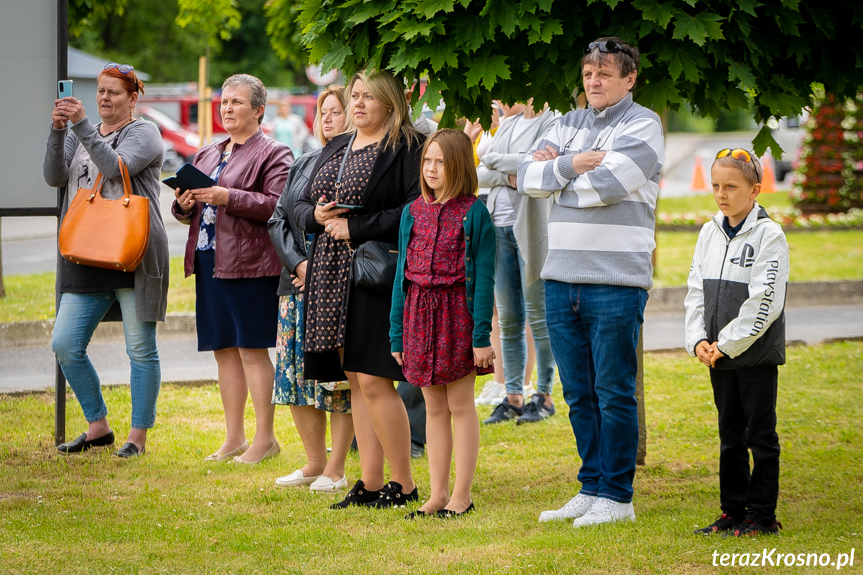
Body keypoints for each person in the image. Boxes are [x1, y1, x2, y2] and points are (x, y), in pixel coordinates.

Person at [518, 37, 664, 526]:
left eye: (604, 73)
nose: (594, 81)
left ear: (629, 79)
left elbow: (606, 188)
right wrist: (569, 167)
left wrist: (558, 180)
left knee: (614, 390)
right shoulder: (568, 122)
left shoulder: (644, 123)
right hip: (560, 277)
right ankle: (592, 485)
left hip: (615, 281)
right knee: (578, 391)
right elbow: (526, 178)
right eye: (588, 74)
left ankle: (618, 497)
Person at [294, 69, 424, 509]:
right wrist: (317, 214)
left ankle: (403, 484)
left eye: (369, 96)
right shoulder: (338, 145)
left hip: (373, 271)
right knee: (354, 379)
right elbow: (298, 202)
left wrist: (356, 226)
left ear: (390, 101)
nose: (360, 103)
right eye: (355, 95)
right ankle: (370, 482)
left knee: (374, 377)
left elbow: (413, 209)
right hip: (331, 272)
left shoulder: (407, 146)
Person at [44, 63, 169, 458]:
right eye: (100, 91)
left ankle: (137, 436)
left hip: (133, 250)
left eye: (113, 92)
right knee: (65, 344)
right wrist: (58, 129)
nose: (104, 98)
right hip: (85, 249)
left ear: (133, 98)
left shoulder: (145, 132)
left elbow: (116, 169)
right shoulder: (82, 131)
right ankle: (97, 426)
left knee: (140, 349)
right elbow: (53, 176)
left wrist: (81, 126)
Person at [172, 74, 292, 464]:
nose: (227, 108)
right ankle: (234, 437)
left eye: (237, 102)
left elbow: (278, 206)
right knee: (223, 350)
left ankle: (265, 439)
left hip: (249, 264)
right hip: (209, 261)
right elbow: (187, 211)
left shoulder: (275, 153)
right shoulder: (207, 153)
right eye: (224, 102)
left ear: (259, 110)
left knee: (252, 351)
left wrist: (229, 197)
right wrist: (184, 203)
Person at [391, 129, 496, 518]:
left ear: (459, 166)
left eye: (441, 162)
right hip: (418, 314)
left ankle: (462, 495)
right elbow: (401, 277)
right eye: (427, 161)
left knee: (460, 404)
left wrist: (480, 336)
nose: (432, 169)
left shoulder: (474, 213)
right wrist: (396, 333)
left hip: (457, 316)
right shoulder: (411, 212)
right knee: (433, 407)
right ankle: (437, 494)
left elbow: (484, 280)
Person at [685, 148, 788, 536]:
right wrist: (698, 340)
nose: (721, 194)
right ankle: (732, 511)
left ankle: (762, 515)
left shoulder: (769, 235)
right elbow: (695, 289)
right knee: (729, 435)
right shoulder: (709, 231)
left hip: (754, 355)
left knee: (759, 436)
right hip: (718, 356)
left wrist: (727, 343)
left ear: (755, 190)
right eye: (715, 185)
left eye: (731, 186)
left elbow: (765, 301)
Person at [268, 85, 354, 491]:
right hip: (295, 283)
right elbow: (278, 221)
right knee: (295, 378)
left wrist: (318, 268)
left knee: (335, 382)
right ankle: (313, 463)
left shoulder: (356, 163)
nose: (328, 119)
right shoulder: (302, 162)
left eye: (336, 111)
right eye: (323, 113)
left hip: (334, 287)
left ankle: (337, 468)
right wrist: (300, 264)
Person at [478, 99, 559, 425]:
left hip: (531, 231)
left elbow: (538, 168)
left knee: (539, 317)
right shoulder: (509, 123)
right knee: (509, 318)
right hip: (498, 229)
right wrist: (509, 174)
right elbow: (481, 173)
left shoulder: (552, 123)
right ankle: (512, 396)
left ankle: (544, 395)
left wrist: (494, 160)